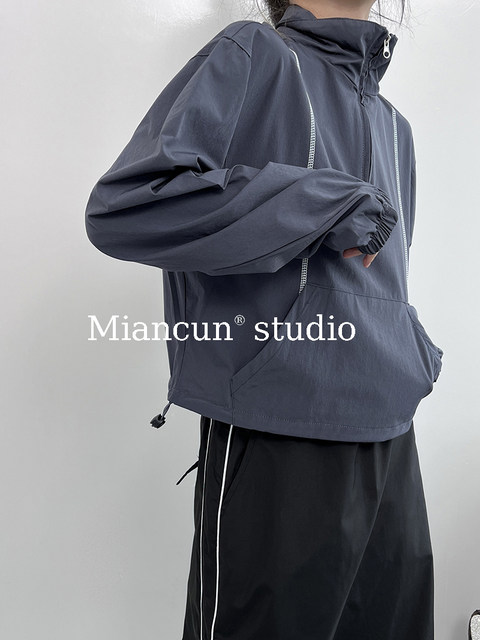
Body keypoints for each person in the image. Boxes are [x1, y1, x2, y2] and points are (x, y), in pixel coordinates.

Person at [85, 1, 444, 638]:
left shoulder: (397, 127)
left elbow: (380, 280)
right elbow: (126, 207)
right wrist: (323, 202)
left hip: (393, 432)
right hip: (279, 428)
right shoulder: (255, 53)